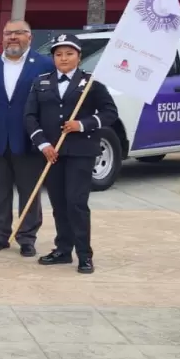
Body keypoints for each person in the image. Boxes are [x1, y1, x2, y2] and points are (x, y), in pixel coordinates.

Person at [25, 33, 118, 274]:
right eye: (59, 54)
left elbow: (110, 113)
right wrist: (43, 144)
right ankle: (63, 250)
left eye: (69, 53)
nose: (63, 58)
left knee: (76, 203)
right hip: (51, 153)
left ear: (79, 56)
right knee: (58, 204)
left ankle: (84, 255)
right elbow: (30, 116)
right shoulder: (41, 82)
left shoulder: (91, 83)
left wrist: (82, 124)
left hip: (80, 151)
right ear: (53, 57)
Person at [0, 19, 53, 256]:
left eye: (18, 33)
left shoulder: (45, 65)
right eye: (8, 33)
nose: (12, 37)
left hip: (29, 141)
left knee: (30, 192)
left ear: (30, 37)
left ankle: (27, 237)